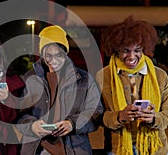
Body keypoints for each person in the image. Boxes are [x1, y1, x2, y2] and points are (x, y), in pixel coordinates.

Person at [16, 25, 104, 155]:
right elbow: (20, 115)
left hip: (74, 149)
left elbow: (96, 112)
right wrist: (32, 126)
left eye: (59, 55)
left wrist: (72, 123)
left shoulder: (84, 79)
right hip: (38, 149)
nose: (54, 61)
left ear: (66, 52)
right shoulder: (30, 78)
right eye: (48, 56)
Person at [96, 16, 168, 155]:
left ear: (144, 49)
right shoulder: (103, 76)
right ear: (116, 50)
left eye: (137, 50)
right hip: (118, 148)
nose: (132, 56)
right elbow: (97, 116)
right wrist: (119, 116)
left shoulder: (160, 76)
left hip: (155, 149)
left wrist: (153, 118)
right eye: (126, 50)